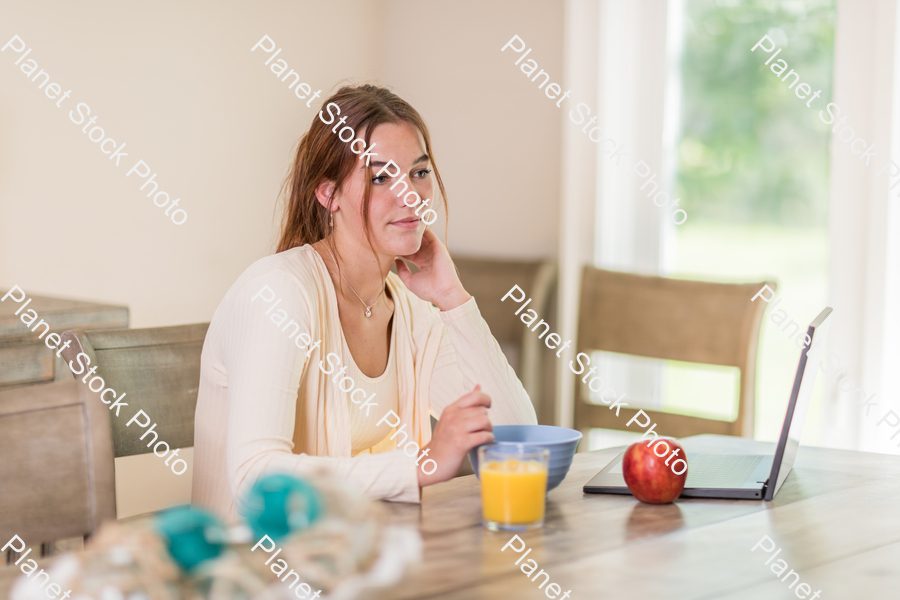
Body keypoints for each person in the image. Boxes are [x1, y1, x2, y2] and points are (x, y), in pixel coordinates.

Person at [192, 84, 537, 522]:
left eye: (419, 172)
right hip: (255, 576)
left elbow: (515, 437)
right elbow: (257, 483)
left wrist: (452, 299)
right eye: (380, 177)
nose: (410, 194)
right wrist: (421, 465)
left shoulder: (409, 310)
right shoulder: (278, 293)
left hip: (360, 565)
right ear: (328, 194)